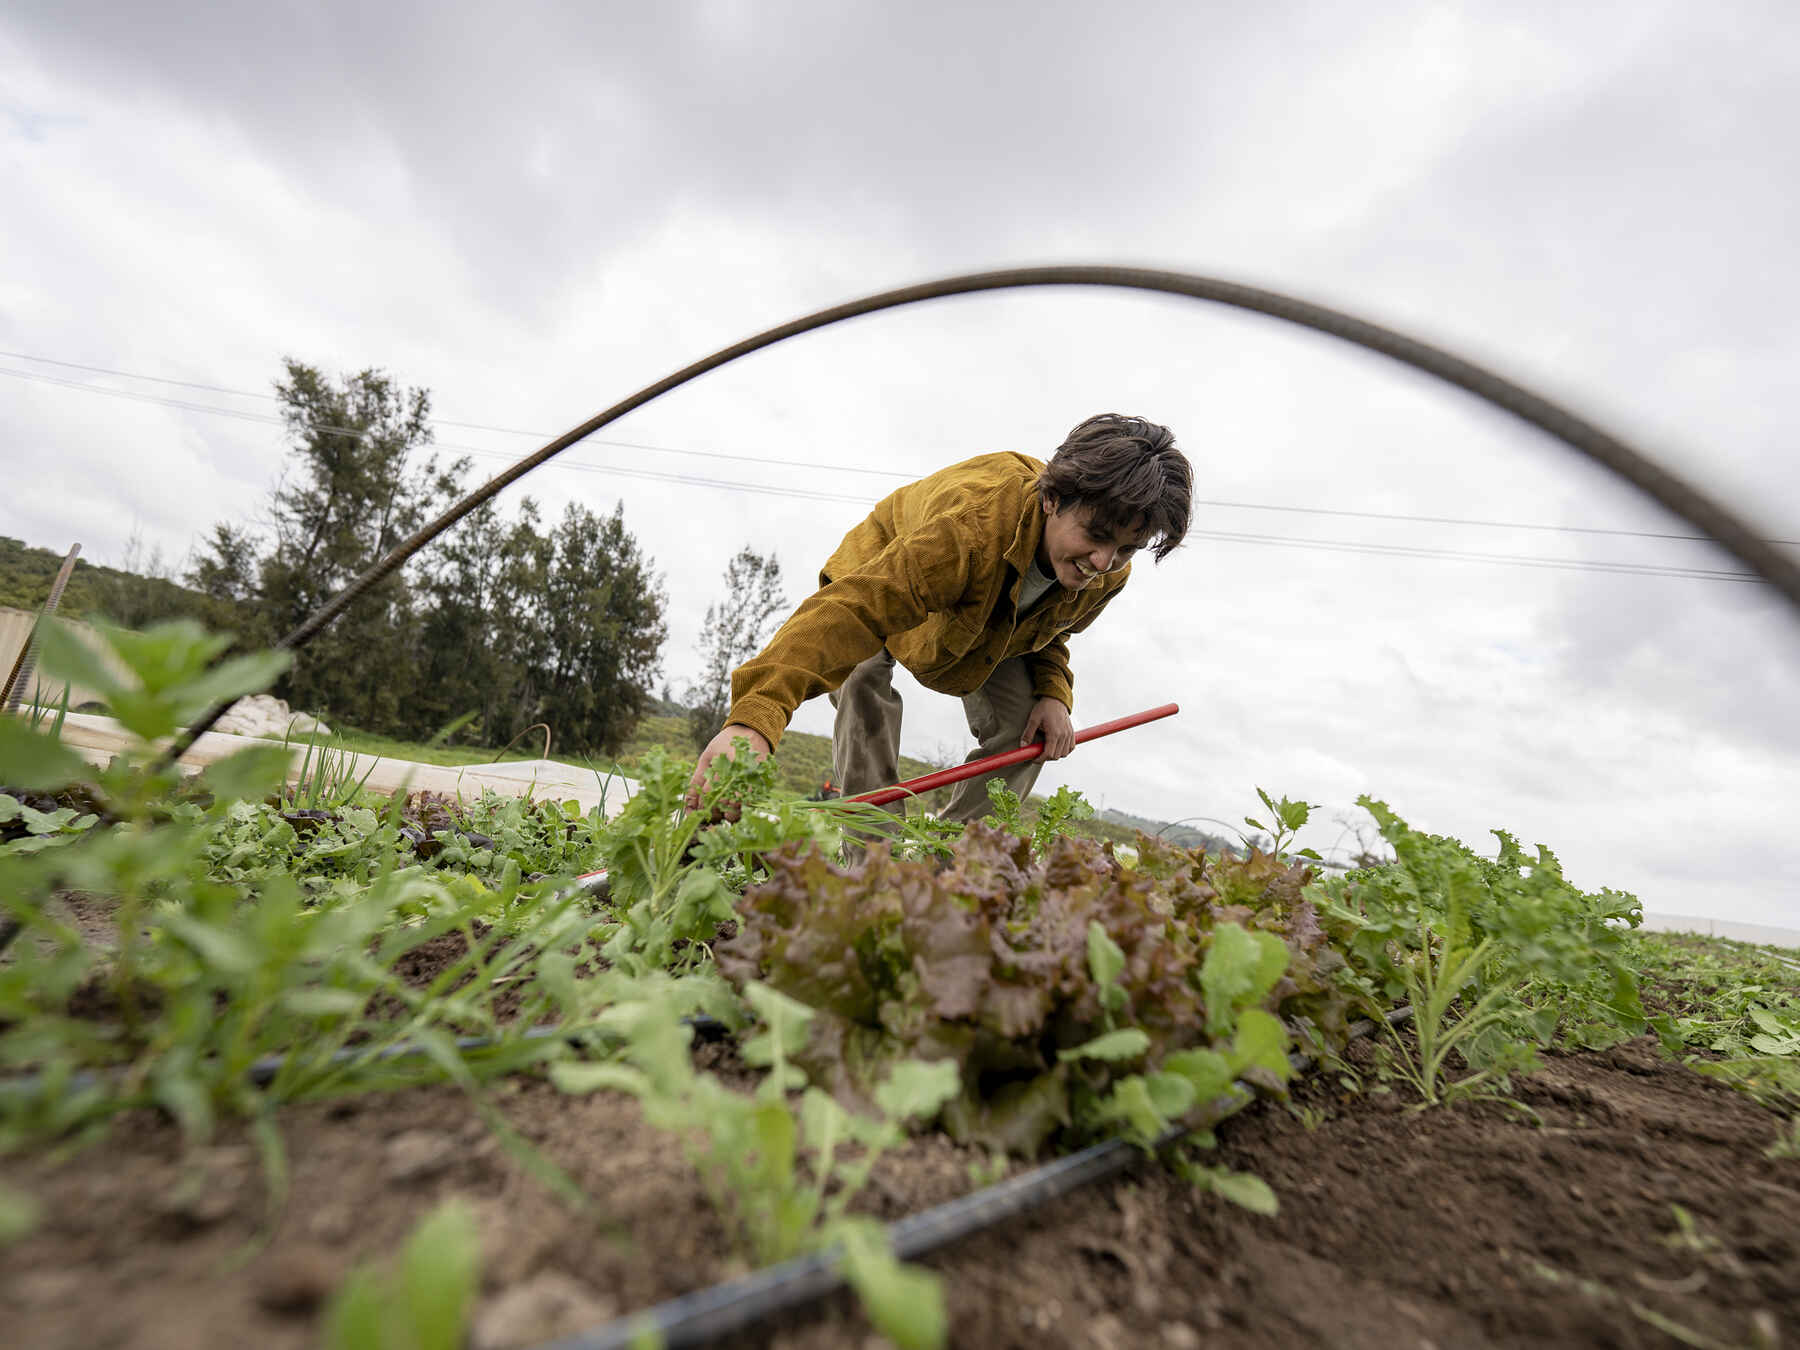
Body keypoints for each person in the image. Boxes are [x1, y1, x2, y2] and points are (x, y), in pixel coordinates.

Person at [683, 414, 1192, 819]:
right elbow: (854, 611)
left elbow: (1048, 630)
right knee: (861, 683)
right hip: (886, 574)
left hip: (985, 630)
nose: (1103, 562)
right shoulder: (964, 531)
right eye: (1097, 537)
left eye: (1126, 549)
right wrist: (754, 720)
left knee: (1026, 729)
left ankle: (950, 868)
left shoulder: (1104, 576)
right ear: (1052, 498)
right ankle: (872, 868)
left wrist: (1054, 693)